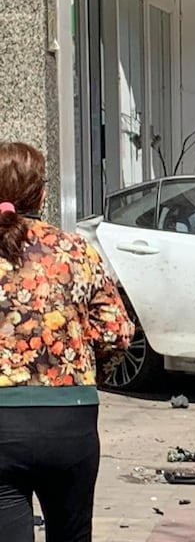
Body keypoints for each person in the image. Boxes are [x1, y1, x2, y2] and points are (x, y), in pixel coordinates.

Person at [0, 142, 134, 541]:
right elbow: (116, 332)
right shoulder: (75, 250)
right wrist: (90, 374)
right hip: (70, 420)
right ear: (41, 194)